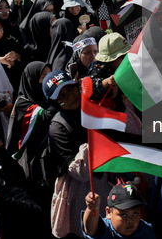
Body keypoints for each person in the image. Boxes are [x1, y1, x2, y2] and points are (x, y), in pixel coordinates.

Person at [44, 70, 111, 238]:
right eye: (62, 96)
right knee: (85, 231)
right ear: (55, 102)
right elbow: (79, 172)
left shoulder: (92, 107)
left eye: (71, 90)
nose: (70, 97)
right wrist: (94, 137)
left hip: (104, 183)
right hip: (79, 193)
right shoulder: (57, 127)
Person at [82, 182, 156, 239]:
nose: (130, 220)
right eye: (123, 214)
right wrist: (91, 208)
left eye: (135, 213)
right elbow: (90, 230)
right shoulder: (104, 229)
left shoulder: (146, 230)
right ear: (108, 213)